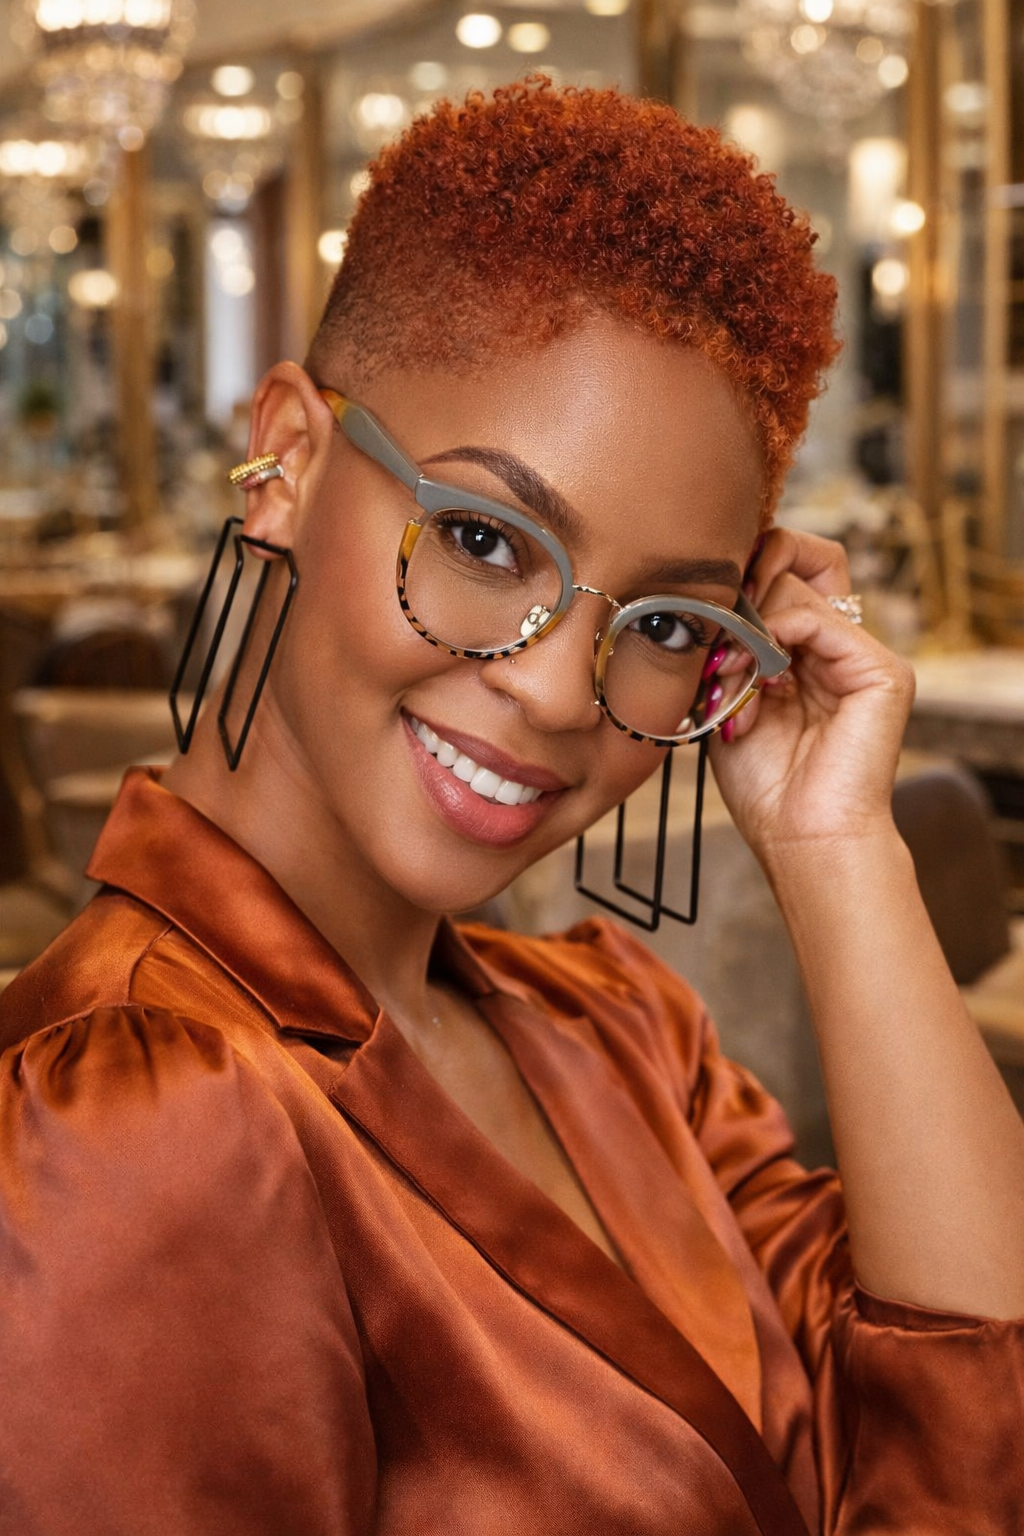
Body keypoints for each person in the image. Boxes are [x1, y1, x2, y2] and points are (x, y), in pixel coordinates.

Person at [1, 80, 1021, 1536]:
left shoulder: (620, 1035)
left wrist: (836, 843)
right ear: (286, 460)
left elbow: (966, 1447)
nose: (553, 693)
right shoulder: (135, 1111)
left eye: (663, 623)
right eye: (483, 538)